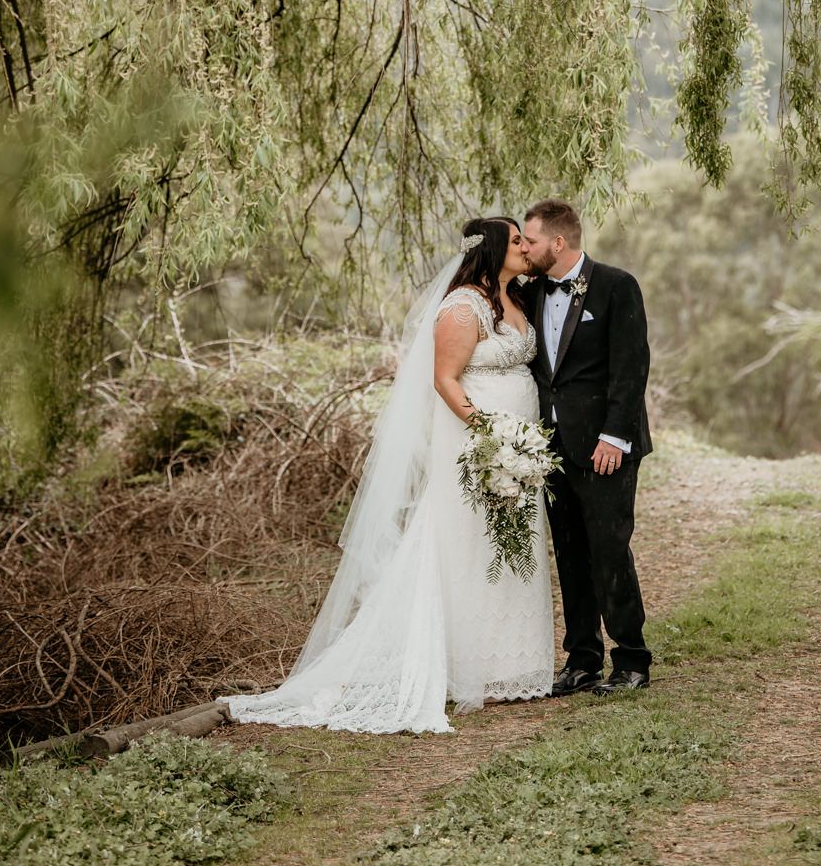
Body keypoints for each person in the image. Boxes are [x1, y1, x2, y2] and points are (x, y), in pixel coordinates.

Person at [224, 217, 553, 734]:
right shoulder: (463, 306)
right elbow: (444, 379)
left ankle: (511, 666)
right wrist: (490, 434)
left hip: (521, 447)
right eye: (516, 241)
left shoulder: (517, 299)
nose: (525, 248)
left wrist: (522, 442)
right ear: (492, 250)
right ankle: (467, 667)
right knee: (470, 542)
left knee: (513, 542)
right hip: (479, 445)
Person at [520, 197, 652, 697]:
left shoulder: (617, 286)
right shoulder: (529, 291)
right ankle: (582, 659)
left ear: (558, 242)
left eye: (530, 240)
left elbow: (631, 366)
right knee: (570, 553)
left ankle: (632, 661)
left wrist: (614, 436)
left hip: (604, 447)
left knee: (609, 551)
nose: (525, 248)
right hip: (550, 447)